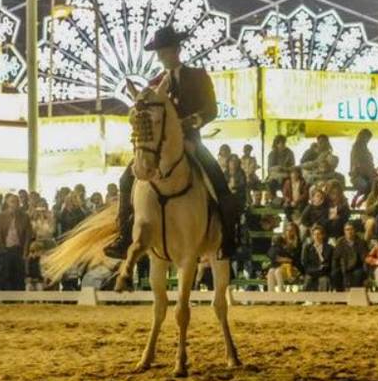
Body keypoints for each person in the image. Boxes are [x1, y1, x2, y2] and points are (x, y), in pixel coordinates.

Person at [105, 25, 239, 259]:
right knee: (126, 179)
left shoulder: (198, 76)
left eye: (164, 51)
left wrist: (189, 123)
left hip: (192, 142)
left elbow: (211, 110)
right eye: (159, 52)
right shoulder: (154, 84)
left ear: (176, 50)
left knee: (219, 184)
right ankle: (124, 234)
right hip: (158, 147)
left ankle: (228, 238)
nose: (161, 56)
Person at [0, 193, 32, 290]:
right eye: (12, 201)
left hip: (19, 249)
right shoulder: (1, 216)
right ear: (7, 203)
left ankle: (19, 299)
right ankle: (7, 299)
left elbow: (28, 235)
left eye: (16, 202)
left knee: (19, 275)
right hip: (6, 249)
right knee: (6, 275)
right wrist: (1, 249)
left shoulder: (25, 216)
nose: (14, 204)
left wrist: (25, 252)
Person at [332, 222, 369, 290]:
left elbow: (365, 259)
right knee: (335, 274)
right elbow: (335, 258)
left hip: (357, 267)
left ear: (355, 230)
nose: (349, 232)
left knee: (358, 274)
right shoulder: (340, 242)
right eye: (347, 230)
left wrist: (366, 272)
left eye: (351, 229)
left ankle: (354, 296)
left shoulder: (361, 242)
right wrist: (335, 269)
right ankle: (340, 296)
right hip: (343, 266)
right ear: (344, 231)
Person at [265, 223, 302, 292]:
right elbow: (270, 252)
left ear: (296, 231)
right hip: (279, 266)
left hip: (293, 268)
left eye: (291, 230)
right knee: (270, 272)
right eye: (287, 230)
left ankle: (282, 297)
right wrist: (278, 259)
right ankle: (270, 297)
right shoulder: (280, 241)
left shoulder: (299, 243)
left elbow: (295, 259)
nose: (289, 232)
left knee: (278, 272)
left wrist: (286, 259)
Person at [300, 225, 333, 291]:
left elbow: (329, 263)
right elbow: (305, 263)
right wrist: (315, 270)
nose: (316, 236)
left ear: (323, 235)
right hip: (311, 271)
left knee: (324, 280)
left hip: (324, 272)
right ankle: (304, 298)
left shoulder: (329, 248)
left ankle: (322, 300)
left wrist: (322, 269)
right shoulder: (307, 248)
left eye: (319, 234)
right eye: (314, 234)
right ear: (312, 236)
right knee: (308, 279)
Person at [349, 129, 375, 205]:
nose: (368, 140)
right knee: (368, 186)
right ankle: (360, 199)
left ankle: (359, 198)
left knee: (372, 185)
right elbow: (358, 164)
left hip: (364, 175)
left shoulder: (363, 148)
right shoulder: (357, 148)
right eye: (367, 138)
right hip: (358, 175)